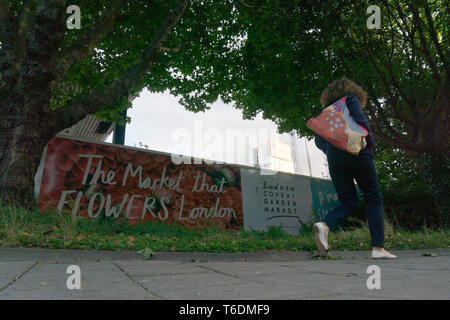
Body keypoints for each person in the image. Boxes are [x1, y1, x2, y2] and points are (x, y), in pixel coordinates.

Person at [312, 77, 396, 259]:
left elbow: (318, 140)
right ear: (354, 90)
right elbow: (361, 120)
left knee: (349, 201)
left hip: (335, 159)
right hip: (358, 151)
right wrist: (368, 143)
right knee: (373, 197)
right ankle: (377, 248)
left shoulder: (326, 112)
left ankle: (325, 225)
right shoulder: (350, 99)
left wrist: (332, 150)